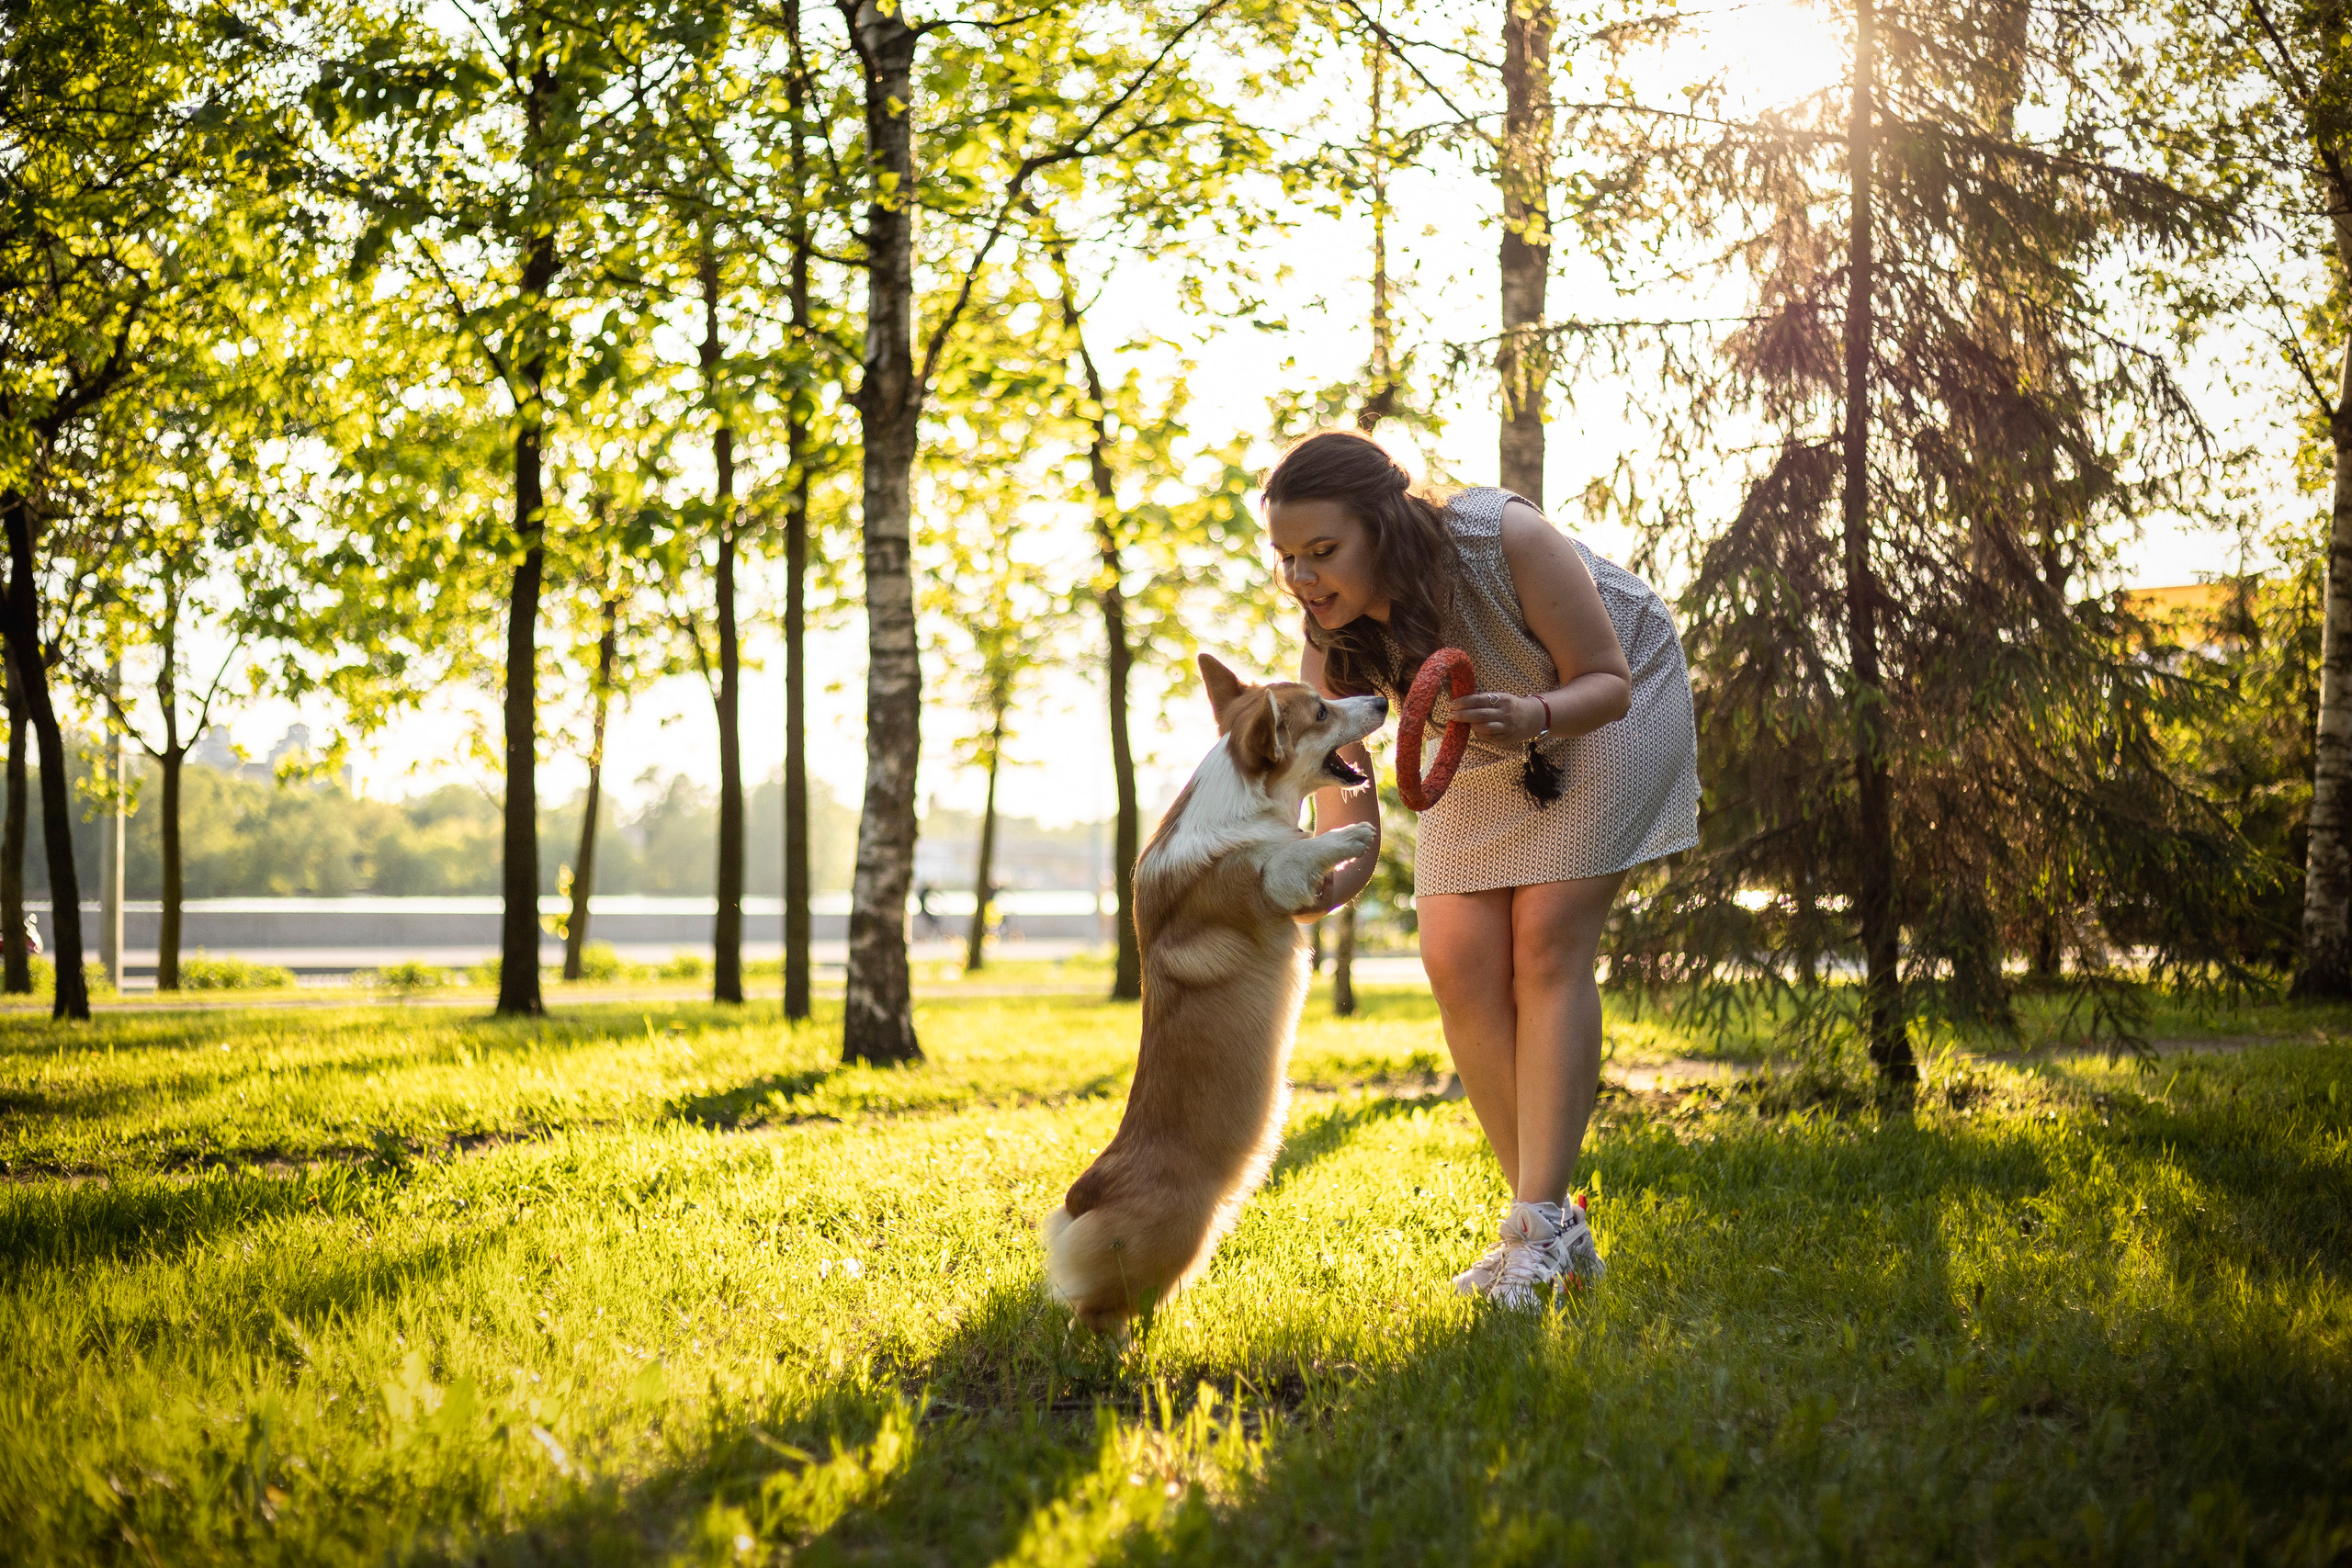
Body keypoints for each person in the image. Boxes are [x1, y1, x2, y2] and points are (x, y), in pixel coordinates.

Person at [1268, 429, 1699, 1307]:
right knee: (1456, 962)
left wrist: (1539, 713)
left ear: (1384, 523)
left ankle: (1538, 1223)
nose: (1304, 578)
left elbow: (1607, 677)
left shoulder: (1502, 538)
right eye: (1286, 557)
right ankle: (1546, 1224)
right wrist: (1322, 883)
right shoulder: (1329, 632)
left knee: (1544, 941)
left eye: (1323, 551)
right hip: (1474, 729)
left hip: (1600, 702)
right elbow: (1342, 793)